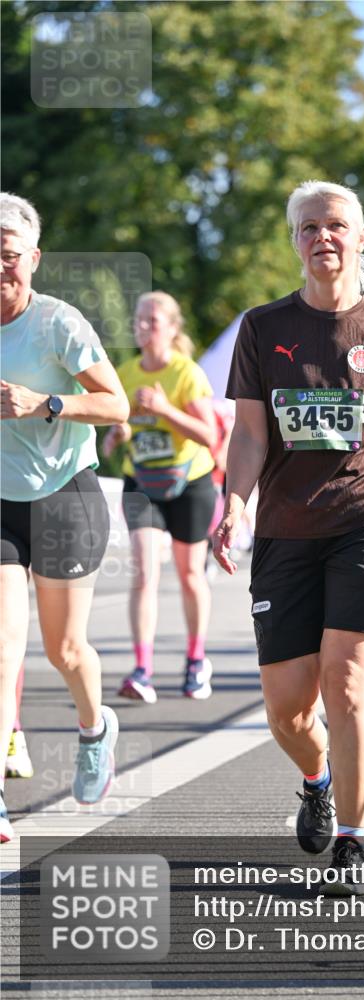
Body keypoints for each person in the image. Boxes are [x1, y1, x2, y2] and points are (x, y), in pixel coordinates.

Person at [212, 180, 364, 894]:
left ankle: (352, 841)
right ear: (295, 242)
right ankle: (316, 779)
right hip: (284, 529)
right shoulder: (261, 327)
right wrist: (233, 506)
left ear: (360, 238)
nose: (322, 237)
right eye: (308, 227)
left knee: (346, 685)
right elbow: (248, 436)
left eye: (335, 225)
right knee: (286, 708)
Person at [0, 193, 129, 843]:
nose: (0, 267)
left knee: (65, 648)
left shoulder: (57, 324)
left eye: (10, 255)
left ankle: (93, 726)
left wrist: (41, 402)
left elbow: (116, 404)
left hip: (63, 496)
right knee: (1, 644)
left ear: (34, 259)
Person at [103, 292, 218, 704]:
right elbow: (113, 436)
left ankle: (195, 660)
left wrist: (167, 410)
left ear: (172, 328)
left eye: (153, 320)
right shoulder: (125, 373)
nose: (144, 327)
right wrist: (117, 435)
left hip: (190, 481)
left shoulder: (186, 374)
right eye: (139, 320)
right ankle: (142, 669)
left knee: (189, 574)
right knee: (144, 571)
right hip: (142, 482)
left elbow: (210, 436)